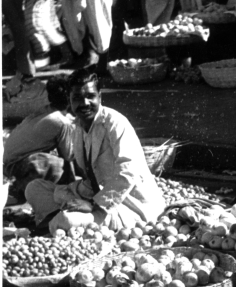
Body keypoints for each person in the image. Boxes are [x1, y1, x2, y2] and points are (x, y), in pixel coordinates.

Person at [24, 68, 165, 233]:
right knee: (34, 188)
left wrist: (93, 204)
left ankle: (66, 221)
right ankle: (68, 219)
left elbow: (128, 171)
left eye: (90, 96)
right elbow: (90, 176)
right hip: (93, 194)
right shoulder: (77, 127)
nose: (84, 103)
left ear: (100, 96)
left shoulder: (115, 123)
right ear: (69, 101)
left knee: (66, 220)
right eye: (77, 98)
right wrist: (76, 197)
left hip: (127, 204)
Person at [3, 77, 75, 204]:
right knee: (58, 164)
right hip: (16, 167)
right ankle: (20, 190)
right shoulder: (62, 122)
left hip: (8, 161)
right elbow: (69, 155)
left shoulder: (47, 110)